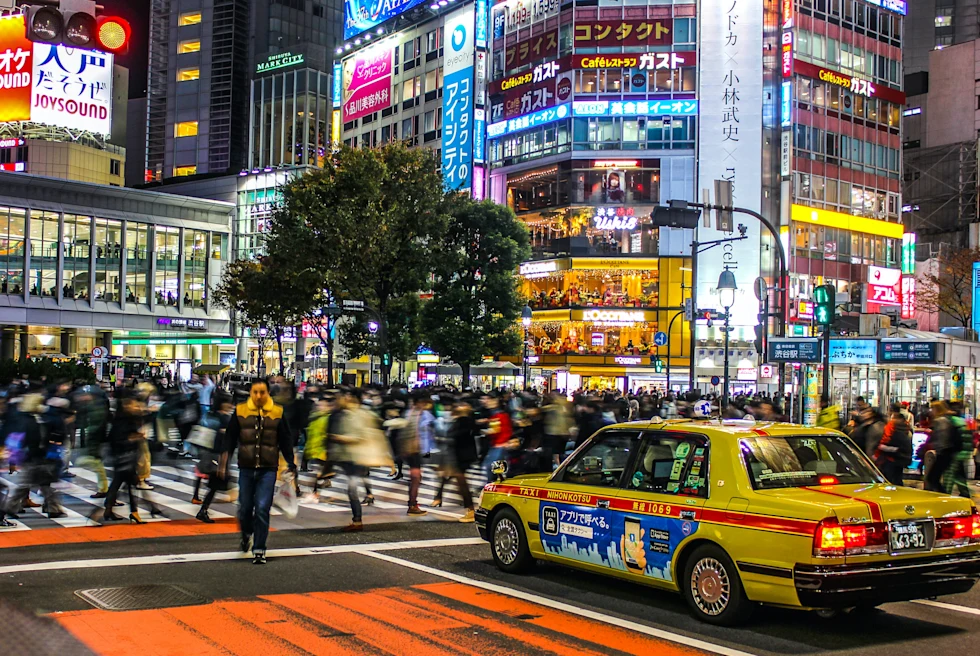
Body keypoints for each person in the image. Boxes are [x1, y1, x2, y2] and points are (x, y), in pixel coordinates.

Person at [221, 379, 295, 564]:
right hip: (246, 467)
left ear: (268, 393)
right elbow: (230, 438)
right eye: (255, 392)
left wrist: (291, 463)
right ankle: (246, 533)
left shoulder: (277, 412)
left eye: (262, 392)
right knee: (245, 507)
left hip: (268, 468)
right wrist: (224, 462)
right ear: (250, 393)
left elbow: (285, 440)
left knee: (262, 508)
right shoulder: (240, 411)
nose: (259, 396)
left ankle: (259, 548)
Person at [328, 387, 393, 532]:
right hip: (349, 457)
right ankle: (358, 516)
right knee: (353, 487)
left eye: (347, 396)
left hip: (356, 457)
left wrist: (340, 439)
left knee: (352, 489)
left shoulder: (359, 414)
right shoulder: (347, 413)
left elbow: (361, 436)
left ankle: (357, 520)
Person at [0, 393, 66, 527]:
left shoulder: (26, 418)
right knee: (31, 483)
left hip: (30, 456)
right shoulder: (34, 421)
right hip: (35, 457)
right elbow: (36, 441)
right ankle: (8, 508)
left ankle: (51, 508)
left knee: (41, 483)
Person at [192, 392, 234, 523]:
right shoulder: (225, 419)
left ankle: (202, 507)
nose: (231, 405)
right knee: (216, 484)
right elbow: (226, 441)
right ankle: (203, 510)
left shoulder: (211, 414)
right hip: (219, 456)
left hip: (207, 453)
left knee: (214, 485)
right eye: (228, 402)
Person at [398, 392, 435, 515]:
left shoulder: (410, 413)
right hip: (413, 450)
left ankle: (412, 503)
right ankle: (412, 505)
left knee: (416, 477)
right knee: (416, 477)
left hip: (412, 450)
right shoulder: (419, 414)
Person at [876, 403, 912, 486]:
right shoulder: (906, 426)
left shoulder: (891, 425)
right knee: (897, 478)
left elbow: (886, 439)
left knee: (890, 479)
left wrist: (879, 450)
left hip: (891, 458)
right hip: (901, 457)